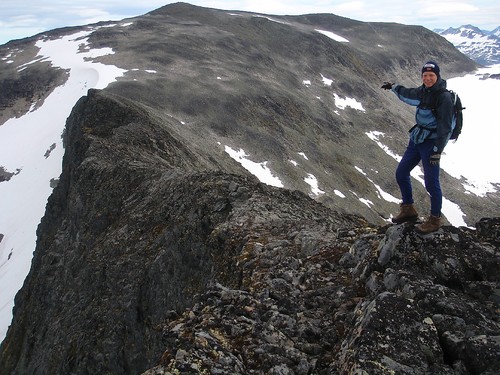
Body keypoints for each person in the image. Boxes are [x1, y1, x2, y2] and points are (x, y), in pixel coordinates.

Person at [381, 61, 455, 233]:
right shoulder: (422, 92)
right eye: (425, 75)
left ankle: (435, 219)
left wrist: (437, 151)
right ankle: (408, 210)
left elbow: (446, 128)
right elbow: (407, 94)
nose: (428, 78)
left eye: (431, 75)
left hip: (431, 143)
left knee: (431, 183)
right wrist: (393, 87)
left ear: (437, 76)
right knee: (401, 172)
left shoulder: (443, 97)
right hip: (417, 139)